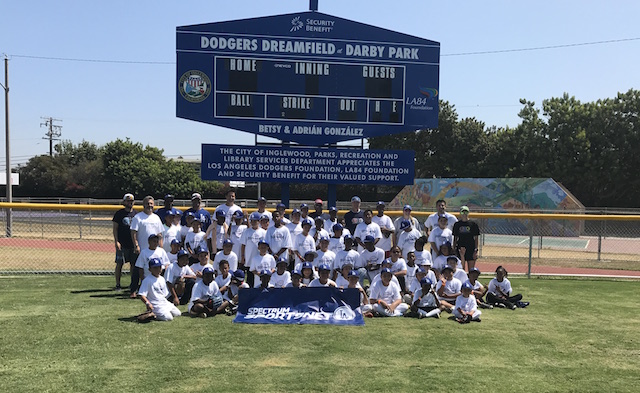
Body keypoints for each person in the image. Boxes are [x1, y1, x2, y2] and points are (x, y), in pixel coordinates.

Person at [130, 195, 164, 296]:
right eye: (147, 204)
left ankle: (150, 289)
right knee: (137, 270)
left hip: (154, 249)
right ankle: (133, 290)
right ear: (143, 205)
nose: (149, 206)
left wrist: (160, 247)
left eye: (151, 204)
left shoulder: (156, 217)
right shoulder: (138, 217)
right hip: (142, 248)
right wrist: (136, 245)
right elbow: (133, 232)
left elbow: (160, 234)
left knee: (154, 270)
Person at [137, 258, 182, 322]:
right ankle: (153, 314)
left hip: (164, 302)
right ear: (150, 269)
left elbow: (164, 294)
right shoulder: (147, 280)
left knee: (178, 313)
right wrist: (148, 303)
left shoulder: (162, 279)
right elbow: (141, 295)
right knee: (169, 318)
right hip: (155, 305)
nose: (158, 270)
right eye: (155, 268)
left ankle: (159, 313)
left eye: (159, 267)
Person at [112, 193, 137, 291]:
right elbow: (115, 229)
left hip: (133, 244)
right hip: (122, 243)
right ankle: (118, 284)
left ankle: (132, 284)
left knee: (133, 265)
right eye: (127, 201)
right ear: (124, 202)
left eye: (131, 201)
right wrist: (116, 241)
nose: (129, 203)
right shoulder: (119, 214)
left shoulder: (136, 214)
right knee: (119, 264)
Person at [240, 212, 267, 285]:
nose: (253, 222)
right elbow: (243, 245)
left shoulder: (263, 232)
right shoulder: (246, 232)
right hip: (249, 258)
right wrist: (242, 256)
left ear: (259, 221)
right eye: (252, 221)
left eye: (255, 221)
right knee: (250, 279)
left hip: (259, 259)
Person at [452, 205, 480, 271]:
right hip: (461, 247)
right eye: (462, 212)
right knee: (461, 268)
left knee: (471, 269)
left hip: (471, 248)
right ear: (460, 213)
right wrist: (454, 249)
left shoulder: (473, 224)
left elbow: (476, 238)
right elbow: (455, 238)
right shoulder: (457, 224)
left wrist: (476, 250)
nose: (464, 214)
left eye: (466, 212)